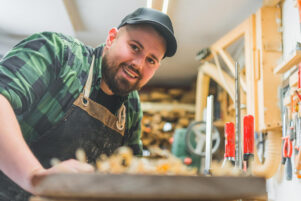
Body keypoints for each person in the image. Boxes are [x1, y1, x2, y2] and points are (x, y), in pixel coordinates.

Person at [0, 7, 177, 201]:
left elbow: (131, 173)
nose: (139, 64)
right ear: (111, 38)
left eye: (151, 60)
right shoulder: (59, 53)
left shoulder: (132, 109)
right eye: (135, 47)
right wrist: (34, 177)